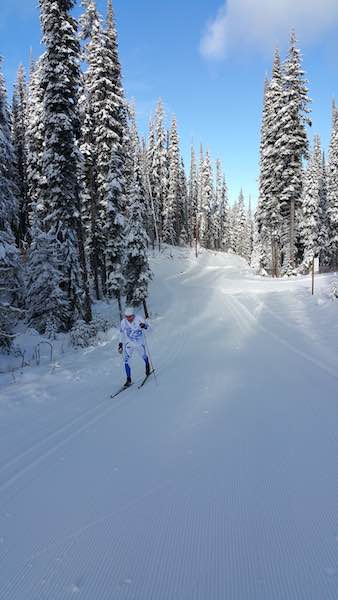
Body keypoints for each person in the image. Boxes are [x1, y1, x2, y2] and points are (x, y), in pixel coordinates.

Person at [118, 306, 151, 386]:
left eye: (130, 317)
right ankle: (128, 379)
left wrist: (145, 326)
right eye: (127, 317)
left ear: (133, 315)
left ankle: (147, 365)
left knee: (143, 356)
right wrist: (120, 344)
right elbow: (121, 333)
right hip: (129, 344)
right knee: (126, 361)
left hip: (139, 342)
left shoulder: (139, 319)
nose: (128, 318)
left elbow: (150, 329)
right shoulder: (123, 322)